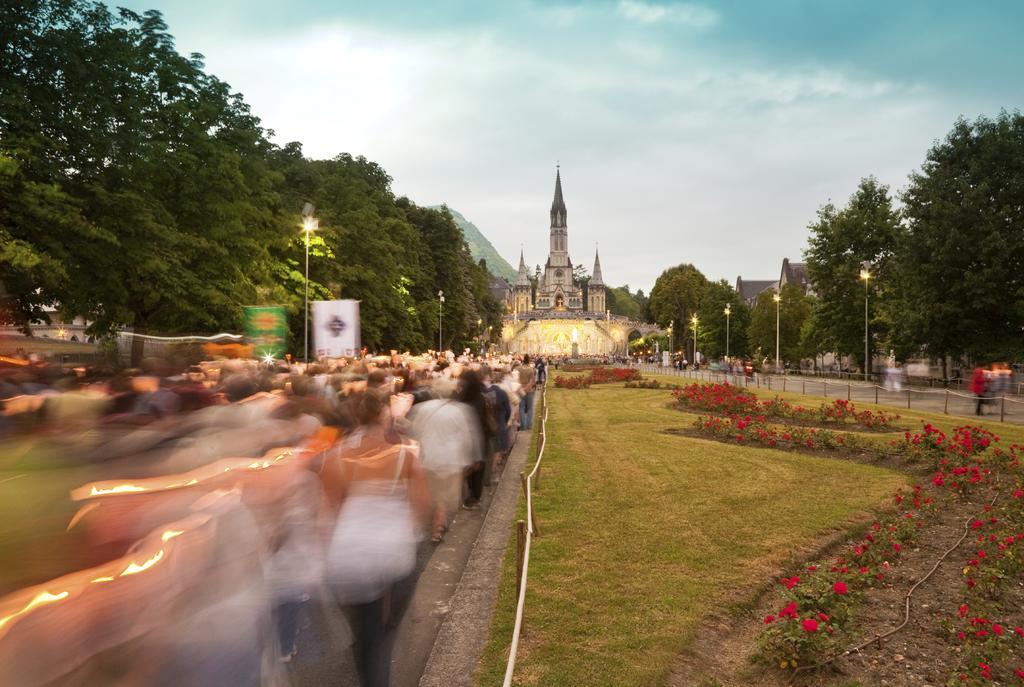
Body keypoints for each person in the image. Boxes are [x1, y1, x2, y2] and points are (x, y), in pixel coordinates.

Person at [322, 390, 431, 687]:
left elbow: (329, 512)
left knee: (366, 630)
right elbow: (421, 506)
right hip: (392, 550)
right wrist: (404, 531)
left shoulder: (337, 457)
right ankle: (381, 644)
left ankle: (370, 653)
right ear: (384, 415)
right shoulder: (403, 455)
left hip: (349, 551)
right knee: (384, 629)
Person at [518, 355, 536, 431]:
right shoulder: (531, 370)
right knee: (529, 408)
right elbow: (532, 381)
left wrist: (522, 389)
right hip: (529, 390)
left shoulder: (518, 369)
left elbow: (516, 380)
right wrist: (527, 388)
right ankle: (529, 425)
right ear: (529, 360)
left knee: (521, 408)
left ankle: (523, 426)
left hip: (520, 389)